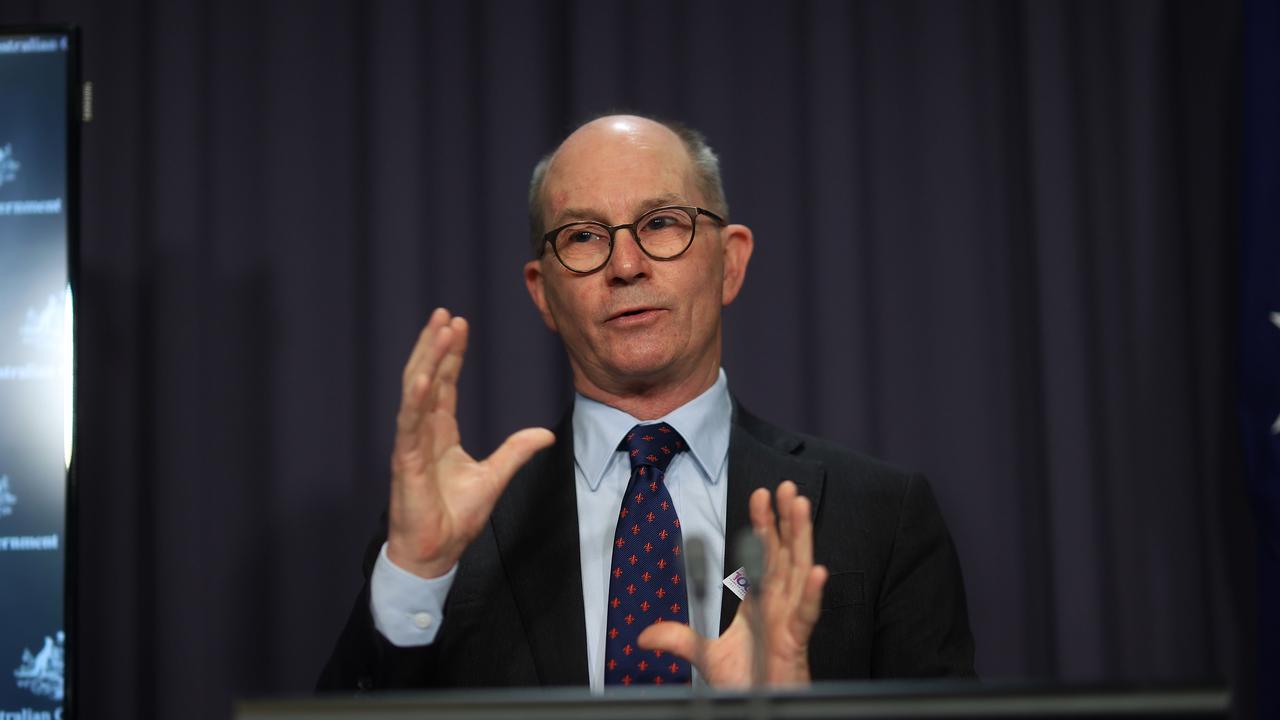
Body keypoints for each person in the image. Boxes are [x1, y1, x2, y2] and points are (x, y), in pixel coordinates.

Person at [318, 115, 975, 692]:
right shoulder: (455, 537)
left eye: (662, 223)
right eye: (582, 236)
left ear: (730, 262)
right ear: (542, 291)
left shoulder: (882, 517)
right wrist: (416, 574)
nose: (626, 265)